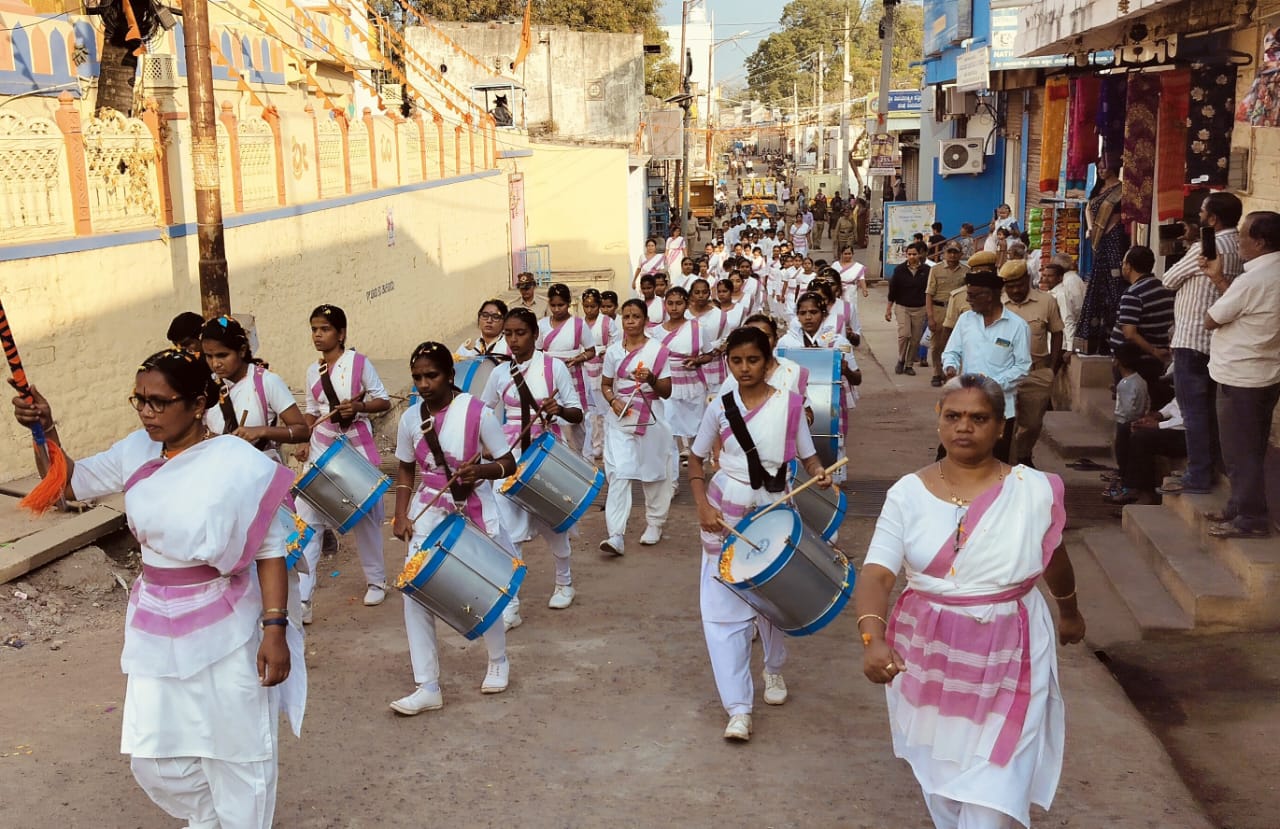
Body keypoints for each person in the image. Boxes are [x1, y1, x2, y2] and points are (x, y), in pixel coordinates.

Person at [11, 348, 301, 828]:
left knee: (237, 751)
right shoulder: (136, 450)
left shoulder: (234, 461)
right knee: (155, 759)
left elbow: (270, 550)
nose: (147, 412)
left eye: (160, 402)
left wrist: (275, 629)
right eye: (140, 400)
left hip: (229, 622)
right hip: (155, 623)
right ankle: (208, 821)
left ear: (198, 404)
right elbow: (67, 485)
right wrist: (44, 428)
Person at [854, 373, 1085, 829]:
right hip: (930, 652)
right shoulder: (907, 493)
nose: (964, 427)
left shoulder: (1033, 490)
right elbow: (878, 573)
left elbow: (1054, 555)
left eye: (978, 418)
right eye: (953, 416)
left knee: (993, 792)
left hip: (1014, 650)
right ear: (939, 420)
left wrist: (1070, 611)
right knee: (942, 779)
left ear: (1001, 426)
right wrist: (872, 638)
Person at [689, 327, 834, 742]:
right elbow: (695, 460)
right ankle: (738, 707)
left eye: (753, 360)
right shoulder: (719, 407)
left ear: (769, 362)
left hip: (774, 509)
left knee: (773, 600)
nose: (744, 368)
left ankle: (773, 668)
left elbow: (808, 456)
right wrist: (702, 506)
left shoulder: (790, 404)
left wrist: (819, 473)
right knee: (722, 606)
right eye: (736, 361)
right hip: (726, 511)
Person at [389, 344, 518, 715]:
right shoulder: (410, 419)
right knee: (414, 592)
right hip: (428, 511)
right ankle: (427, 685)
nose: (423, 384)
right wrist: (400, 514)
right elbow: (405, 467)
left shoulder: (478, 413)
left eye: (431, 376)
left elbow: (508, 463)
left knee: (483, 588)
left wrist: (482, 471)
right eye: (417, 377)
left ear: (449, 375)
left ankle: (498, 660)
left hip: (473, 507)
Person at [480, 307, 585, 610]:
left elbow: (577, 412)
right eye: (508, 334)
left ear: (535, 334)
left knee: (554, 523)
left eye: (520, 333)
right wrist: (486, 444)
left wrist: (559, 410)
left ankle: (564, 583)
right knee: (507, 529)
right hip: (509, 456)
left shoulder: (554, 368)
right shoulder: (499, 373)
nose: (513, 340)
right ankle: (511, 602)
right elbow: (483, 412)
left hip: (545, 455)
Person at [295, 305, 392, 618]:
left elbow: (382, 399)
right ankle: (303, 599)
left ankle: (376, 581)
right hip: (321, 447)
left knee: (365, 516)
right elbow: (311, 410)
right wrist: (303, 439)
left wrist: (359, 407)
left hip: (355, 448)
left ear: (341, 333)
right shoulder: (313, 371)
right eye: (314, 329)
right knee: (308, 517)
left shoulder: (359, 363)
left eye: (324, 329)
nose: (318, 335)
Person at [1200, 210, 1280, 538]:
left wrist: (1220, 283)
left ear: (1259, 242)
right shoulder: (1268, 275)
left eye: (1243, 235)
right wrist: (1220, 279)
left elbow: (1211, 318)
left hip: (1242, 375)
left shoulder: (1253, 280)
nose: (1238, 242)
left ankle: (1250, 517)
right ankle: (1240, 506)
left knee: (1239, 452)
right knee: (1251, 446)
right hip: (1264, 373)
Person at [1158, 192, 1244, 495]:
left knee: (1194, 411)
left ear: (1213, 218)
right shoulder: (1240, 246)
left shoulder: (1206, 248)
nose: (1199, 216)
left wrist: (1192, 245)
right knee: (1210, 410)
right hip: (1219, 342)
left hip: (1192, 338)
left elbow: (1168, 279)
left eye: (1203, 212)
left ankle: (1198, 475)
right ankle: (1210, 467)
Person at [598, 299, 675, 555]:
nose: (631, 321)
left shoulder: (657, 350)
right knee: (620, 472)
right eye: (627, 316)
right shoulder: (613, 352)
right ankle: (615, 534)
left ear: (645, 320)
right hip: (621, 418)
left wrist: (651, 378)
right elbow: (606, 384)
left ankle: (655, 523)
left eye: (636, 316)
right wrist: (613, 401)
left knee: (653, 472)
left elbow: (666, 391)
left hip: (651, 417)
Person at [942, 269, 1031, 463]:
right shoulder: (966, 320)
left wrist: (990, 385)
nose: (968, 300)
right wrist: (950, 366)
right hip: (965, 405)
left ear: (989, 296)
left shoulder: (1017, 326)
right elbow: (951, 352)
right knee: (952, 461)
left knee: (993, 464)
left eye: (973, 295)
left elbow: (1023, 367)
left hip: (999, 409)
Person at [200, 316, 309, 464]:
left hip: (261, 470)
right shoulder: (208, 387)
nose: (215, 364)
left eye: (222, 355)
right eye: (209, 356)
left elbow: (302, 431)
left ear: (242, 350)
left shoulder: (266, 381)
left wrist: (261, 431)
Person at [1002, 261, 1065, 467]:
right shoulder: (997, 304)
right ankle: (1009, 463)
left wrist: (1051, 368)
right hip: (1004, 373)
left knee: (1032, 423)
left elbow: (1057, 333)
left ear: (1028, 280)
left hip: (1036, 373)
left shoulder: (1046, 301)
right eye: (1010, 286)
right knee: (1004, 423)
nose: (1015, 290)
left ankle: (1023, 455)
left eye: (1019, 285)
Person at [651, 286, 713, 472]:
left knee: (697, 429)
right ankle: (673, 479)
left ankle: (697, 469)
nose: (674, 307)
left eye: (678, 303)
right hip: (667, 386)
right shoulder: (655, 333)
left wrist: (697, 361)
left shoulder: (697, 328)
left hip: (693, 386)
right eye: (670, 303)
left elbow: (709, 354)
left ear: (686, 304)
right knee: (668, 431)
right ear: (665, 305)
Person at [1108, 245, 1175, 395]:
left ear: (1129, 267)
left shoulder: (1133, 294)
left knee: (1131, 404)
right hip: (1155, 360)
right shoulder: (1165, 289)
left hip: (1135, 362)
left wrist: (1154, 351)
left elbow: (1130, 333)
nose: (1122, 266)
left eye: (1123, 263)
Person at [538, 283, 596, 453]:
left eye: (561, 305)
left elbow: (591, 351)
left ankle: (582, 455)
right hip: (549, 375)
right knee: (551, 415)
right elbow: (537, 351)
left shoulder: (578, 324)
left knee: (576, 417)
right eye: (553, 305)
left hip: (572, 374)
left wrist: (578, 358)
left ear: (569, 303)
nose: (557, 309)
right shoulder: (542, 325)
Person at [1079, 165, 1128, 353]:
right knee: (1098, 286)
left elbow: (1122, 216)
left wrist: (1108, 230)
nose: (1100, 170)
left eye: (1104, 166)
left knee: (1113, 286)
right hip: (1099, 243)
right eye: (1099, 167)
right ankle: (1093, 340)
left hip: (1114, 241)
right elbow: (1088, 208)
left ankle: (1112, 338)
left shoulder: (1121, 190)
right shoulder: (1098, 190)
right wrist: (1092, 228)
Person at [1106, 343, 1154, 505]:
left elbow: (1127, 409)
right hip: (1138, 419)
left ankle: (1126, 488)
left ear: (1118, 361)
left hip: (1125, 423)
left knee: (1123, 455)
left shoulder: (1124, 384)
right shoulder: (1140, 381)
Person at [925, 243, 970, 387]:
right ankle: (936, 373)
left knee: (956, 344)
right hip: (939, 310)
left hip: (958, 312)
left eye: (955, 252)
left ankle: (950, 373)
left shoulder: (966, 271)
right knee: (937, 344)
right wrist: (930, 317)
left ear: (961, 254)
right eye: (949, 252)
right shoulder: (935, 270)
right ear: (944, 254)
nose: (952, 255)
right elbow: (929, 294)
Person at [580, 288, 616, 464]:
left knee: (604, 410)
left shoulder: (608, 322)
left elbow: (616, 344)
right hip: (584, 369)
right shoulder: (579, 323)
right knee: (590, 412)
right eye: (586, 306)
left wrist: (606, 351)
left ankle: (607, 443)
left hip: (602, 369)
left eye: (593, 306)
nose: (589, 310)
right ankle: (595, 444)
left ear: (599, 306)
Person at [887, 242, 930, 376]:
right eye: (909, 254)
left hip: (920, 308)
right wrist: (888, 309)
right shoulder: (899, 270)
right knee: (904, 334)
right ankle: (901, 359)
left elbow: (930, 291)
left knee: (916, 338)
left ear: (919, 255)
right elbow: (893, 290)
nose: (912, 257)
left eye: (914, 254)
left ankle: (909, 365)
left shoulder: (927, 270)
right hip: (902, 307)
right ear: (906, 255)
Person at [1039, 257, 1084, 352]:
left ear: (1059, 278)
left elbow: (1067, 320)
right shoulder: (1051, 293)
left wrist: (1070, 348)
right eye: (1044, 275)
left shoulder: (1061, 294)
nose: (1045, 279)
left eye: (1050, 276)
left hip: (1061, 345)